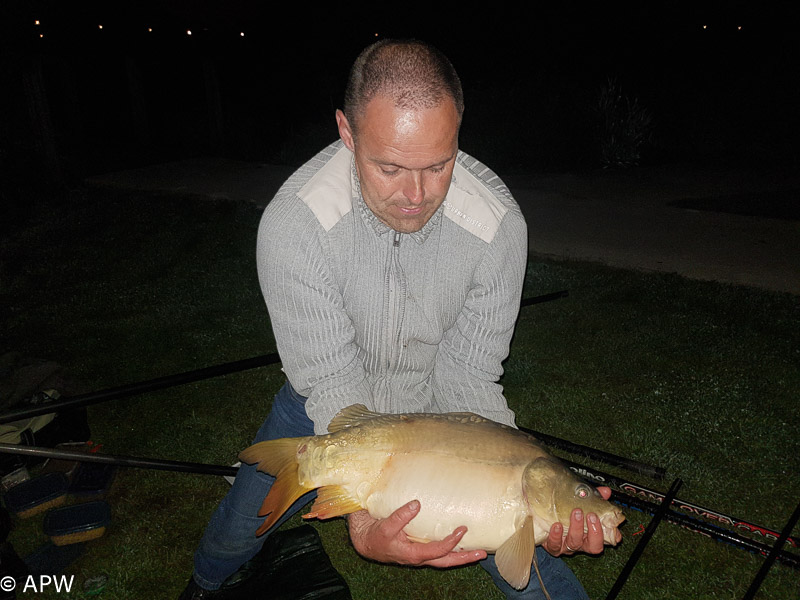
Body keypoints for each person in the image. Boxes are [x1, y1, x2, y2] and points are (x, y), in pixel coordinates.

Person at [180, 39, 613, 600]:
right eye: (389, 167)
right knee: (244, 523)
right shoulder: (295, 225)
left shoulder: (497, 227)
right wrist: (362, 512)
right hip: (325, 400)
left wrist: (542, 504)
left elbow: (471, 376)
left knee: (536, 571)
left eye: (439, 165)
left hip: (441, 407)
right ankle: (204, 584)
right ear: (346, 131)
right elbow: (330, 376)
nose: (416, 195)